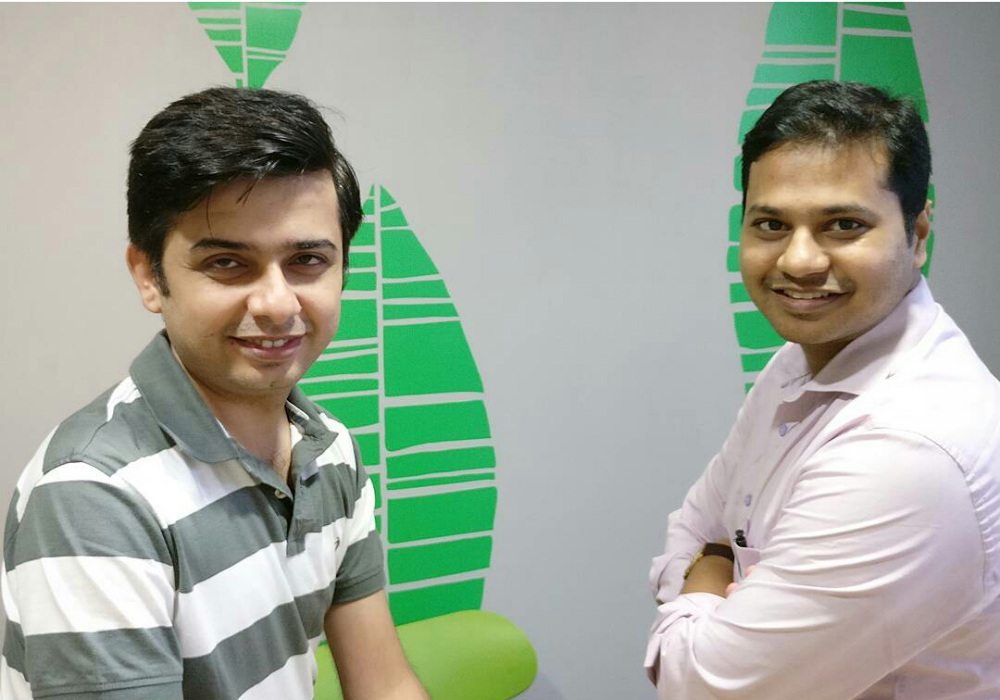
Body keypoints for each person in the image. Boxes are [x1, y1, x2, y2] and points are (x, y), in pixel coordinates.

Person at [1, 87, 428, 700]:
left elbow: (384, 685)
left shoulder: (328, 448)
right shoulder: (95, 495)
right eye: (227, 263)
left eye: (308, 260)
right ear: (149, 275)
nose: (277, 304)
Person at [645, 81, 1000, 698]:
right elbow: (693, 527)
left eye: (843, 225)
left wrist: (710, 574)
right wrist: (712, 568)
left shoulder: (907, 449)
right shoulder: (798, 364)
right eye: (771, 224)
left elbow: (700, 685)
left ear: (917, 233)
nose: (799, 261)